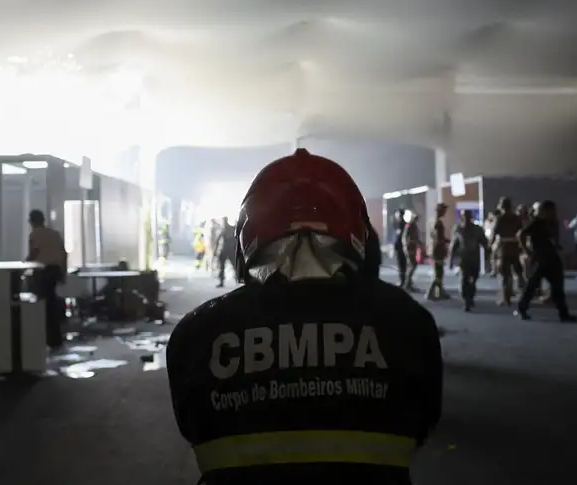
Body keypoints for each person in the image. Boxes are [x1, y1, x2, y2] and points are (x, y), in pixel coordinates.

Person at [166, 149, 443, 485]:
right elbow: (423, 424)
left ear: (247, 239)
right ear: (359, 236)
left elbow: (192, 427)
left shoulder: (197, 334)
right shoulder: (409, 323)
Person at [516, 201, 577, 322]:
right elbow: (521, 234)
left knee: (557, 286)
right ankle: (522, 308)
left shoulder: (553, 223)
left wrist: (556, 245)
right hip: (540, 258)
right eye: (550, 210)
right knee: (532, 285)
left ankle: (563, 313)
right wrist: (528, 251)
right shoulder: (537, 223)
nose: (553, 213)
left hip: (551, 257)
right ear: (544, 211)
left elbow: (553, 238)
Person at [26, 209, 68, 348]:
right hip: (55, 270)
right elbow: (64, 254)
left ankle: (49, 338)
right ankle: (55, 337)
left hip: (43, 272)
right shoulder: (55, 234)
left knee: (43, 305)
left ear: (32, 221)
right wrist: (63, 273)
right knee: (51, 302)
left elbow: (34, 253)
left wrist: (23, 265)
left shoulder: (34, 234)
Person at [450, 209, 490, 312]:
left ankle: (470, 297)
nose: (466, 218)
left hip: (474, 258)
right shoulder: (458, 229)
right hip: (464, 258)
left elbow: (484, 243)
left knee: (474, 279)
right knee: (464, 279)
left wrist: (487, 256)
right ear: (462, 217)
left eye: (468, 216)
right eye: (464, 216)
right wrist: (451, 260)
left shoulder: (477, 229)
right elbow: (454, 245)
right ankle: (466, 301)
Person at [490, 198, 525, 305]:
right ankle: (522, 294)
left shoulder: (500, 219)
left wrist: (490, 246)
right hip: (515, 247)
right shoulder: (516, 218)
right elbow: (522, 232)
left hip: (504, 248)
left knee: (505, 274)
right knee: (518, 272)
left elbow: (494, 234)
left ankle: (506, 298)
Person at [426, 203, 450, 301]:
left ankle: (439, 292)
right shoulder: (438, 223)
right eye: (444, 210)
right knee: (438, 273)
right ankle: (430, 292)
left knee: (439, 271)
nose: (445, 212)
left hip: (433, 248)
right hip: (438, 250)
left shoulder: (432, 221)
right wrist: (447, 243)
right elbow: (440, 239)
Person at [215, 216, 238, 288]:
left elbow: (217, 240)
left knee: (223, 266)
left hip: (225, 250)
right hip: (230, 250)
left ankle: (222, 281)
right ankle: (237, 278)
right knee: (234, 266)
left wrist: (215, 250)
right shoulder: (232, 229)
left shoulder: (225, 229)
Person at [402, 214, 422, 292]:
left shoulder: (414, 226)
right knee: (412, 266)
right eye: (415, 218)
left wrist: (419, 243)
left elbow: (416, 237)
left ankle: (409, 283)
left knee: (412, 266)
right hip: (409, 249)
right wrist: (407, 247)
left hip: (413, 248)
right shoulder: (409, 226)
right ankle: (407, 284)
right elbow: (404, 238)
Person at [392, 209, 408, 286]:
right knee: (402, 265)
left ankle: (403, 281)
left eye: (397, 214)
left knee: (402, 264)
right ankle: (403, 280)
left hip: (401, 247)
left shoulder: (402, 224)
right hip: (400, 247)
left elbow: (400, 237)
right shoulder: (400, 224)